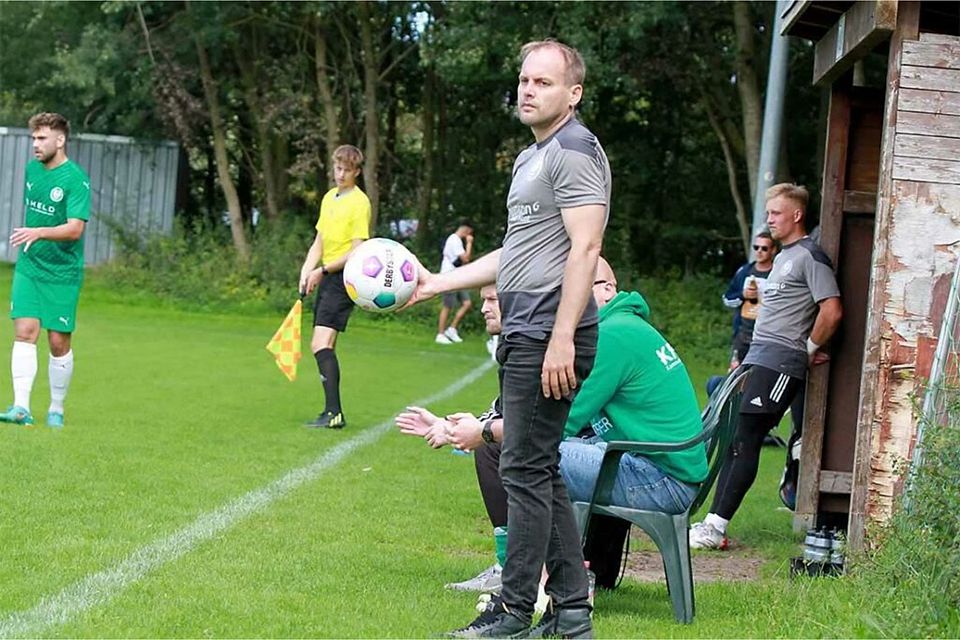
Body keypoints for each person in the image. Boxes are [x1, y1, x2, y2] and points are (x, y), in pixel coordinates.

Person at [406, 39, 610, 638]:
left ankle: (515, 610)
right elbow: (514, 252)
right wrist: (435, 283)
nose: (527, 90)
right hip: (526, 329)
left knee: (522, 469)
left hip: (550, 329)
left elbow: (587, 247)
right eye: (524, 80)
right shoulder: (531, 159)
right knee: (536, 469)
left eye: (543, 82)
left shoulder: (573, 150)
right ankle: (571, 614)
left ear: (572, 94)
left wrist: (564, 336)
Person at [400, 259, 706, 600]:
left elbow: (551, 426)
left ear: (608, 288)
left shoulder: (612, 336)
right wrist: (465, 427)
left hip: (659, 480)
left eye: (579, 289)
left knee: (509, 450)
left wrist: (482, 432)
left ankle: (520, 573)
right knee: (517, 444)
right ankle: (557, 571)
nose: (570, 300)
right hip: (660, 468)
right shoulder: (622, 326)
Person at [690, 183, 842, 550]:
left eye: (775, 212)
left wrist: (806, 349)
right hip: (758, 358)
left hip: (780, 363)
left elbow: (832, 310)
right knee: (732, 437)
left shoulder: (810, 256)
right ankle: (710, 521)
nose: (769, 219)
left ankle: (716, 526)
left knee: (746, 439)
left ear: (796, 215)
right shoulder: (784, 257)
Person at [0, 113, 90, 429]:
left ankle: (56, 408)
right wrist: (33, 237)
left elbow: (75, 229)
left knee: (57, 342)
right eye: (33, 138)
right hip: (30, 265)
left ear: (60, 140)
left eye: (42, 138)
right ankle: (21, 407)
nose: (35, 145)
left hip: (63, 272)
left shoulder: (75, 179)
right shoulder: (31, 171)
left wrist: (38, 232)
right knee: (24, 331)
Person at [298, 145, 371, 430]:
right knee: (325, 345)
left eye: (346, 170)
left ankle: (334, 414)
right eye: (337, 168)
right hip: (326, 275)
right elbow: (319, 241)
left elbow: (356, 251)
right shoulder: (329, 198)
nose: (340, 174)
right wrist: (307, 270)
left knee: (320, 344)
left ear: (357, 172)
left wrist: (322, 270)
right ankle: (332, 413)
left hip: (343, 278)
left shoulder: (360, 203)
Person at [723, 230, 778, 370]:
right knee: (735, 376)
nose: (759, 251)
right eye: (756, 247)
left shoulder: (778, 274)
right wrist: (743, 295)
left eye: (764, 248)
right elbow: (727, 299)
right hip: (742, 335)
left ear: (773, 250)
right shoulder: (744, 272)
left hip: (767, 337)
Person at [436, 222, 475, 345]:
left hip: (458, 276)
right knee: (447, 306)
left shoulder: (457, 240)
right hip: (449, 277)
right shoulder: (454, 240)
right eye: (469, 233)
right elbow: (466, 258)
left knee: (467, 303)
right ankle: (440, 334)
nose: (469, 235)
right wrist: (469, 243)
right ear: (466, 230)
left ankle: (451, 329)